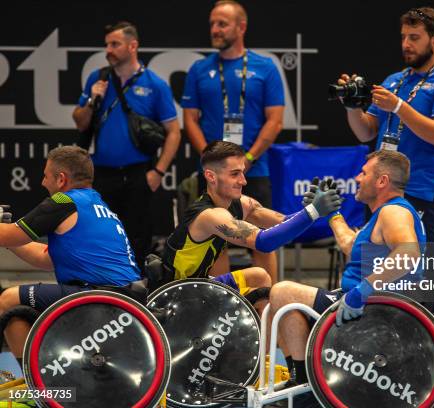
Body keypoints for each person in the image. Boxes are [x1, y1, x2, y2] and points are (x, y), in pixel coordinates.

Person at [268, 150, 426, 393]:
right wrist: (331, 213)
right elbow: (350, 246)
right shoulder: (388, 214)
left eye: (364, 173)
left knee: (281, 293)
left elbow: (408, 253)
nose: (357, 178)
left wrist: (361, 291)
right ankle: (304, 378)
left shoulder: (393, 212)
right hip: (370, 302)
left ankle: (302, 387)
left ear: (382, 181)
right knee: (265, 297)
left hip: (375, 310)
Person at [0, 146, 143, 366]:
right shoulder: (96, 204)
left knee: (8, 300)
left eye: (46, 176)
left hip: (99, 296)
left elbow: (11, 235)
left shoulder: (64, 202)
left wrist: (7, 233)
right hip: (125, 298)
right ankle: (43, 378)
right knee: (18, 312)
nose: (42, 182)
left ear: (61, 179)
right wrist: (9, 238)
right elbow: (45, 258)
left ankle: (34, 388)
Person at [337, 7, 434, 244]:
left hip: (418, 191)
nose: (406, 44)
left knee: (412, 271)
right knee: (374, 268)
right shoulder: (394, 80)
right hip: (379, 190)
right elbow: (366, 131)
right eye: (403, 37)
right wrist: (352, 107)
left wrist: (398, 106)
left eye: (414, 38)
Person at [181, 0, 284, 283]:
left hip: (254, 170)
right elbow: (190, 119)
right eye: (212, 23)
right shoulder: (199, 69)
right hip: (214, 174)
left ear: (241, 27)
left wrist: (246, 160)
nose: (215, 29)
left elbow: (275, 120)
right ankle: (225, 304)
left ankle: (268, 300)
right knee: (217, 237)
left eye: (222, 24)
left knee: (263, 237)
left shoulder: (265, 67)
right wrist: (209, 158)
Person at [161, 141, 341, 301]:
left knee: (259, 277)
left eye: (243, 172)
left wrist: (308, 210)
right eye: (235, 174)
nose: (244, 181)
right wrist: (312, 211)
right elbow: (263, 242)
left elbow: (282, 222)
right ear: (211, 176)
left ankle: (268, 337)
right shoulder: (210, 215)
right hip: (176, 293)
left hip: (201, 282)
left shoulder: (242, 203)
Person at [72, 21, 181, 268]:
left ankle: (136, 289)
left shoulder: (155, 84)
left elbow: (174, 132)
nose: (108, 49)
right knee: (100, 232)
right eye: (107, 44)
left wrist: (158, 172)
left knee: (138, 236)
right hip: (101, 173)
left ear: (133, 46)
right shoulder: (97, 78)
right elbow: (79, 123)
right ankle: (101, 284)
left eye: (115, 44)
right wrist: (92, 99)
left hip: (139, 172)